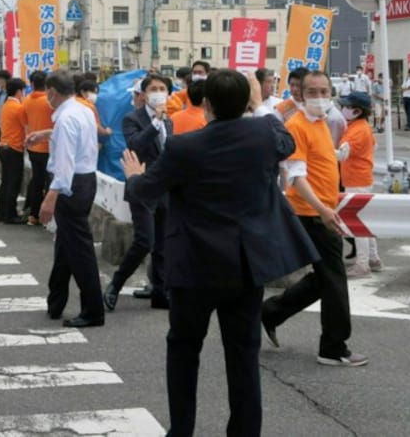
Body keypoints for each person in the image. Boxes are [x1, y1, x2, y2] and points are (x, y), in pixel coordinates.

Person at [121, 69, 318, 437]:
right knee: (243, 353)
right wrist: (259, 107)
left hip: (193, 265)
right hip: (245, 264)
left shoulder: (184, 146)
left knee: (183, 349)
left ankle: (181, 430)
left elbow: (145, 191)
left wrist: (133, 176)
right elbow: (285, 141)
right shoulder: (263, 134)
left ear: (205, 103)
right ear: (246, 102)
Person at [262, 71, 370, 367]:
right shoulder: (296, 125)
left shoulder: (321, 122)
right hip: (312, 213)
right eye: (313, 91)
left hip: (322, 210)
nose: (320, 97)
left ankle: (271, 312)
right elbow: (296, 176)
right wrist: (323, 211)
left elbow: (317, 158)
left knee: (325, 278)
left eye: (325, 91)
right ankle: (333, 347)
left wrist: (337, 155)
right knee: (334, 278)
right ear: (300, 93)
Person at [37, 70, 105, 328]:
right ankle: (56, 301)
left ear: (53, 91)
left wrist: (50, 197)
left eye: (47, 92)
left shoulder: (65, 119)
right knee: (66, 246)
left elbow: (64, 164)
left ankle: (93, 310)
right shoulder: (82, 110)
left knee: (80, 252)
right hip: (85, 180)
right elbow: (76, 144)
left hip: (71, 186)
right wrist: (46, 135)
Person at [105, 74, 173, 309]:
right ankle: (116, 283)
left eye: (163, 88)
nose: (158, 92)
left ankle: (160, 292)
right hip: (142, 187)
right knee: (146, 240)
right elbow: (136, 144)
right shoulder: (132, 119)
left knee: (163, 244)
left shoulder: (169, 121)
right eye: (153, 88)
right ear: (143, 95)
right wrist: (155, 122)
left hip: (165, 189)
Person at [336, 92, 383, 277]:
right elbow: (375, 146)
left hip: (356, 180)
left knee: (356, 224)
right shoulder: (361, 126)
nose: (343, 109)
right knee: (364, 221)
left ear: (356, 111)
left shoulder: (356, 130)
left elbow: (341, 154)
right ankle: (373, 258)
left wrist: (319, 150)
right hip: (362, 178)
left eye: (346, 107)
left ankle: (363, 264)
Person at [21, 70, 53, 226]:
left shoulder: (26, 101)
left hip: (33, 147)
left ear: (32, 84)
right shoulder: (50, 101)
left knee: (37, 181)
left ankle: (34, 215)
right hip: (50, 148)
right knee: (50, 182)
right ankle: (47, 216)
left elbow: (25, 122)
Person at [0, 78, 28, 225]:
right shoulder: (18, 108)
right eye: (23, 91)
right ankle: (11, 214)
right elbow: (26, 127)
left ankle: (3, 213)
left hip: (3, 146)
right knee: (13, 183)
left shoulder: (6, 105)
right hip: (14, 148)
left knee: (6, 182)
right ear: (19, 91)